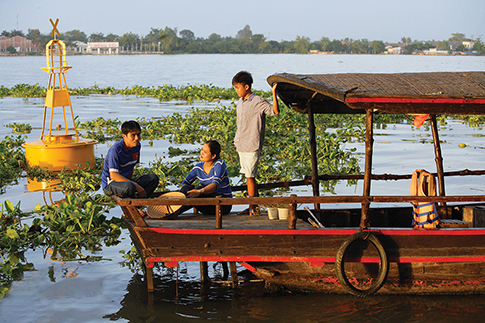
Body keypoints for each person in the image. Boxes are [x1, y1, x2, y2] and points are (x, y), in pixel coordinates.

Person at [232, 71, 279, 216]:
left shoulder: (258, 101)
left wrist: (274, 93)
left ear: (246, 86)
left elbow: (274, 111)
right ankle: (254, 206)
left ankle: (252, 207)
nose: (236, 91)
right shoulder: (240, 102)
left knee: (250, 177)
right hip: (241, 144)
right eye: (235, 88)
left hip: (252, 144)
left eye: (238, 88)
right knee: (248, 175)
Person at [166, 140, 232, 219]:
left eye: (205, 152)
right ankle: (172, 211)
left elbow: (215, 185)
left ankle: (174, 212)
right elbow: (185, 184)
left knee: (198, 189)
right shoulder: (198, 167)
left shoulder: (219, 164)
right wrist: (189, 192)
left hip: (222, 205)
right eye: (201, 150)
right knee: (187, 189)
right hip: (206, 203)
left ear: (213, 156)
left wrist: (199, 191)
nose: (202, 153)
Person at [102, 120, 159, 198]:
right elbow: (113, 175)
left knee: (153, 178)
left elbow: (131, 168)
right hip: (111, 184)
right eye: (133, 135)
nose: (137, 138)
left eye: (138, 134)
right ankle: (135, 204)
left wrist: (131, 183)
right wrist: (135, 185)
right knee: (130, 187)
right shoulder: (115, 150)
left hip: (125, 183)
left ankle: (139, 204)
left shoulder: (137, 146)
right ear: (124, 136)